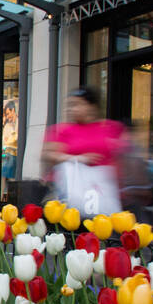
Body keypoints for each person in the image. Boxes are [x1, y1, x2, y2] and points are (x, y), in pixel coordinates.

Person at [41, 86, 125, 215]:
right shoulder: (62, 130)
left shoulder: (111, 128)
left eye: (77, 104)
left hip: (104, 194)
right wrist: (76, 159)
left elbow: (125, 155)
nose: (71, 109)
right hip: (69, 193)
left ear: (92, 106)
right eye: (69, 105)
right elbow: (47, 154)